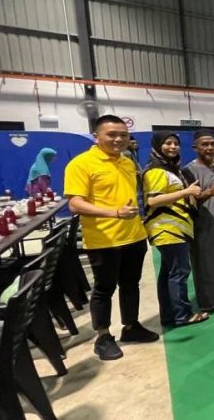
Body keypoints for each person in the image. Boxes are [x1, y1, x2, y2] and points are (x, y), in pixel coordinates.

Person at [64, 115, 159, 361]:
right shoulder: (81, 164)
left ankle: (131, 326)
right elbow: (75, 204)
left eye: (123, 135)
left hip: (134, 236)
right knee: (104, 289)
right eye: (112, 135)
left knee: (131, 284)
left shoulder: (127, 162)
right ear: (96, 136)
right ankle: (103, 336)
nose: (118, 139)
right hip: (104, 240)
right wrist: (114, 213)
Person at [142, 131, 209, 327]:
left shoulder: (169, 168)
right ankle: (183, 315)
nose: (173, 147)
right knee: (179, 273)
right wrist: (187, 191)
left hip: (175, 227)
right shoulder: (156, 170)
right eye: (168, 143)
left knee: (168, 274)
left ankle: (169, 314)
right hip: (168, 229)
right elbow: (153, 200)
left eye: (175, 143)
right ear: (157, 146)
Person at [182, 130, 214, 311]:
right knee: (205, 262)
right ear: (195, 147)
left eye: (213, 144)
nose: (209, 148)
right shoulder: (188, 170)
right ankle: (208, 300)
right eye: (204, 144)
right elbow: (189, 199)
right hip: (203, 222)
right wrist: (208, 193)